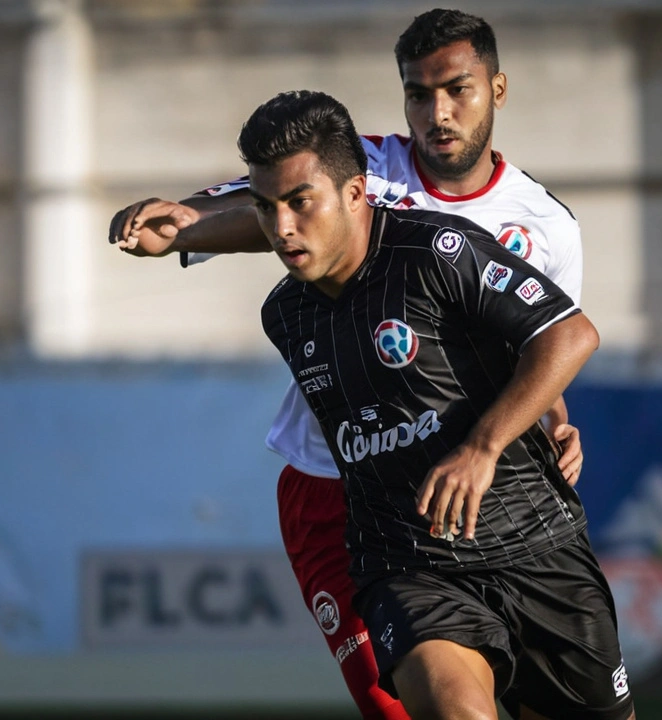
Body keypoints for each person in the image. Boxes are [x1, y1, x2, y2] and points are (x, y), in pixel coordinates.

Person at [108, 11, 587, 718]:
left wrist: (553, 420)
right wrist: (187, 225)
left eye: (458, 90)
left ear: (499, 89)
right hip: (338, 489)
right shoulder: (369, 168)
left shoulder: (547, 226)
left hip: (469, 495)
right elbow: (264, 199)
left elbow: (541, 341)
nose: (438, 112)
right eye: (418, 95)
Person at [243, 88, 631, 720]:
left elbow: (568, 334)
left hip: (534, 543)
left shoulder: (440, 250)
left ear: (355, 193)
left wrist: (488, 444)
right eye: (264, 207)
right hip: (411, 564)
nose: (281, 228)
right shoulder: (284, 315)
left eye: (298, 203)